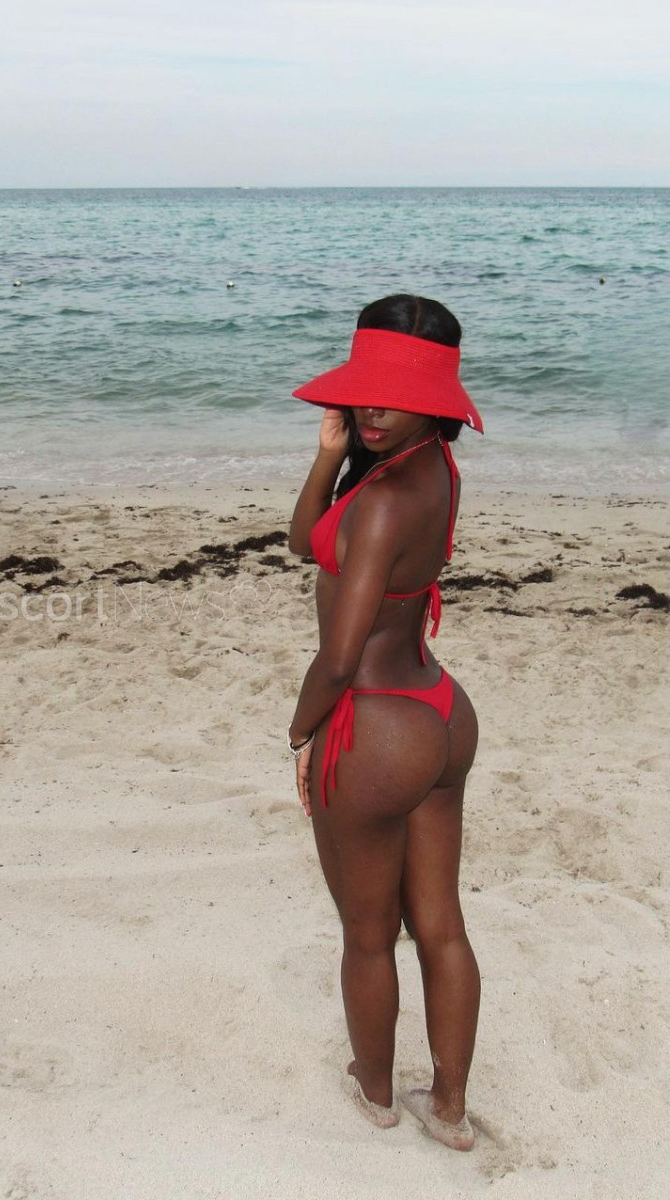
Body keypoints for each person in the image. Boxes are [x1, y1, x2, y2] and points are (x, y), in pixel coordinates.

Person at [285, 295, 483, 1151]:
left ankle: (375, 1093)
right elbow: (305, 540)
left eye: (393, 396)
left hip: (373, 726)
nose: (370, 409)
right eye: (362, 390)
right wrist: (329, 456)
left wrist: (301, 736)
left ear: (433, 402)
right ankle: (451, 1107)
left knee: (368, 935)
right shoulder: (434, 467)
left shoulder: (383, 502)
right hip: (439, 712)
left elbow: (338, 658)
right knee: (440, 922)